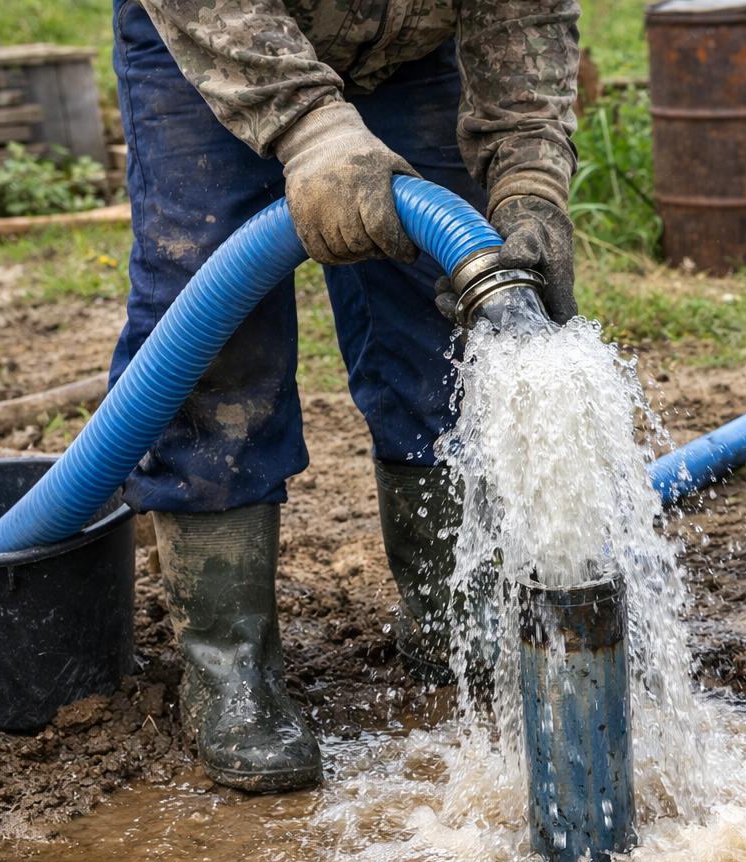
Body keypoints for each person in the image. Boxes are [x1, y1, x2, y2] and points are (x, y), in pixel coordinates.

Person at [112, 0, 578, 794]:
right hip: (215, 38)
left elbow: (525, 14)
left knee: (443, 319)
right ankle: (230, 669)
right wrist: (314, 131)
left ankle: (452, 610)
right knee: (214, 331)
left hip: (408, 52)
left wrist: (530, 182)